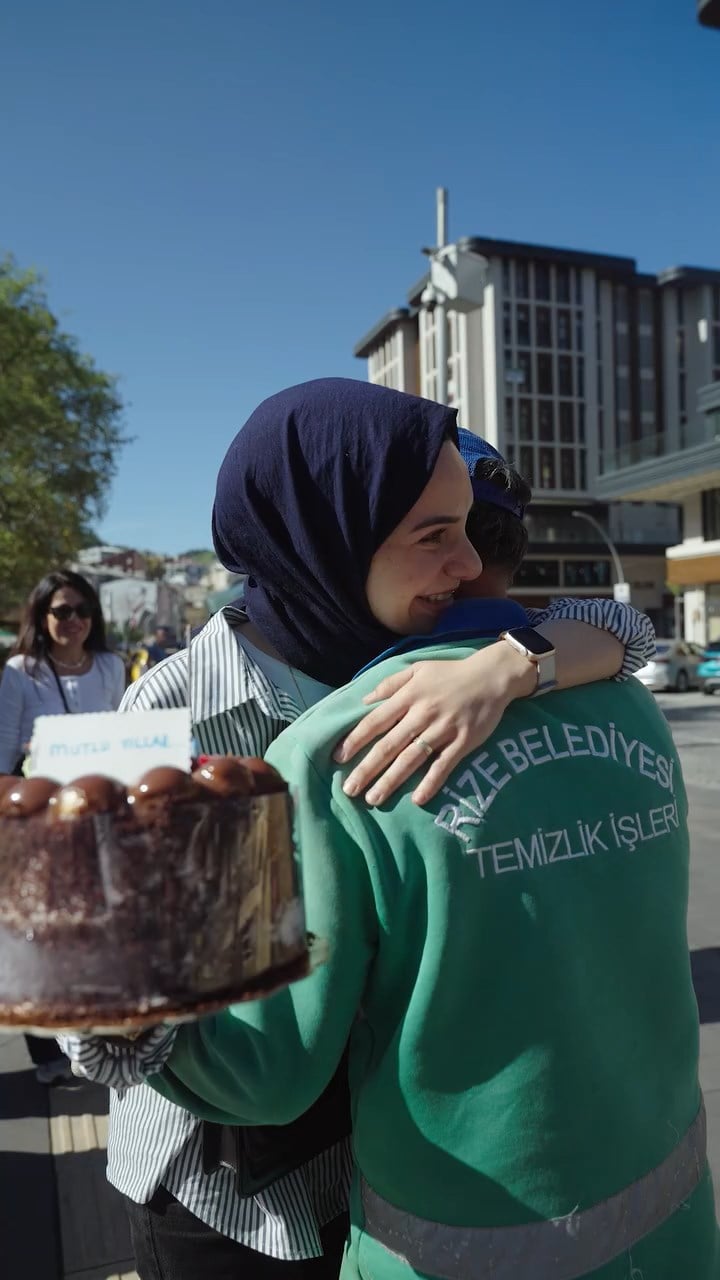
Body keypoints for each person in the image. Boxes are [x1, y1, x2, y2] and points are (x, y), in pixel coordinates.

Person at [60, 379, 654, 1280]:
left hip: (395, 1183)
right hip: (228, 1201)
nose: (466, 566)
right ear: (323, 531)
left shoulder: (433, 661)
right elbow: (84, 1004)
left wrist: (510, 669)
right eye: (434, 536)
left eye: (466, 529)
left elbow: (623, 630)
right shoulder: (167, 711)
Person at [0, 568, 125, 1083]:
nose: (73, 621)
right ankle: (47, 1050)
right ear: (42, 616)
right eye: (61, 611)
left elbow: (126, 734)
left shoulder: (114, 666)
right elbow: (5, 750)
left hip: (99, 824)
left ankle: (95, 1032)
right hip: (41, 824)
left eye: (82, 610)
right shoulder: (21, 671)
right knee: (43, 932)